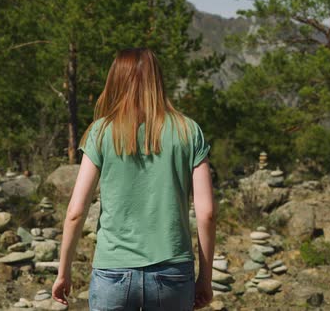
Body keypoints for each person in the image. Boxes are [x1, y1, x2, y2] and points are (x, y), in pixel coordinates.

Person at [51, 47, 217, 310]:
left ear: (116, 80)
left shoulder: (101, 132)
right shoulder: (189, 131)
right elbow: (206, 213)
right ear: (158, 80)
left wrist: (63, 272)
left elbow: (75, 211)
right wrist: (205, 278)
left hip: (113, 272)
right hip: (173, 272)